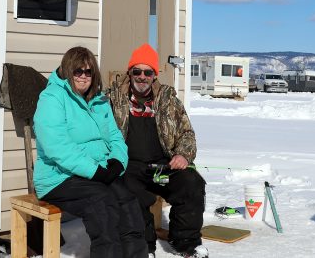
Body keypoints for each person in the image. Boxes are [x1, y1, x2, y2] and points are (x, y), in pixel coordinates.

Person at [33, 46, 148, 258]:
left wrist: (117, 161)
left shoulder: (99, 99)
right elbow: (57, 147)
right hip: (59, 177)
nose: (83, 77)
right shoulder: (52, 98)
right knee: (101, 203)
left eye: (88, 72)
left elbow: (115, 136)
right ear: (68, 71)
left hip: (96, 172)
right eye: (78, 71)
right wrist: (94, 171)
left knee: (128, 200)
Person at [107, 43, 208, 258]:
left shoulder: (168, 99)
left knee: (192, 184)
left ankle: (185, 242)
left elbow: (187, 134)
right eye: (137, 71)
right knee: (132, 194)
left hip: (163, 165)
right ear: (130, 73)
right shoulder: (112, 99)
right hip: (128, 166)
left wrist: (183, 154)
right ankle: (143, 246)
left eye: (148, 72)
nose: (142, 76)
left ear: (155, 75)